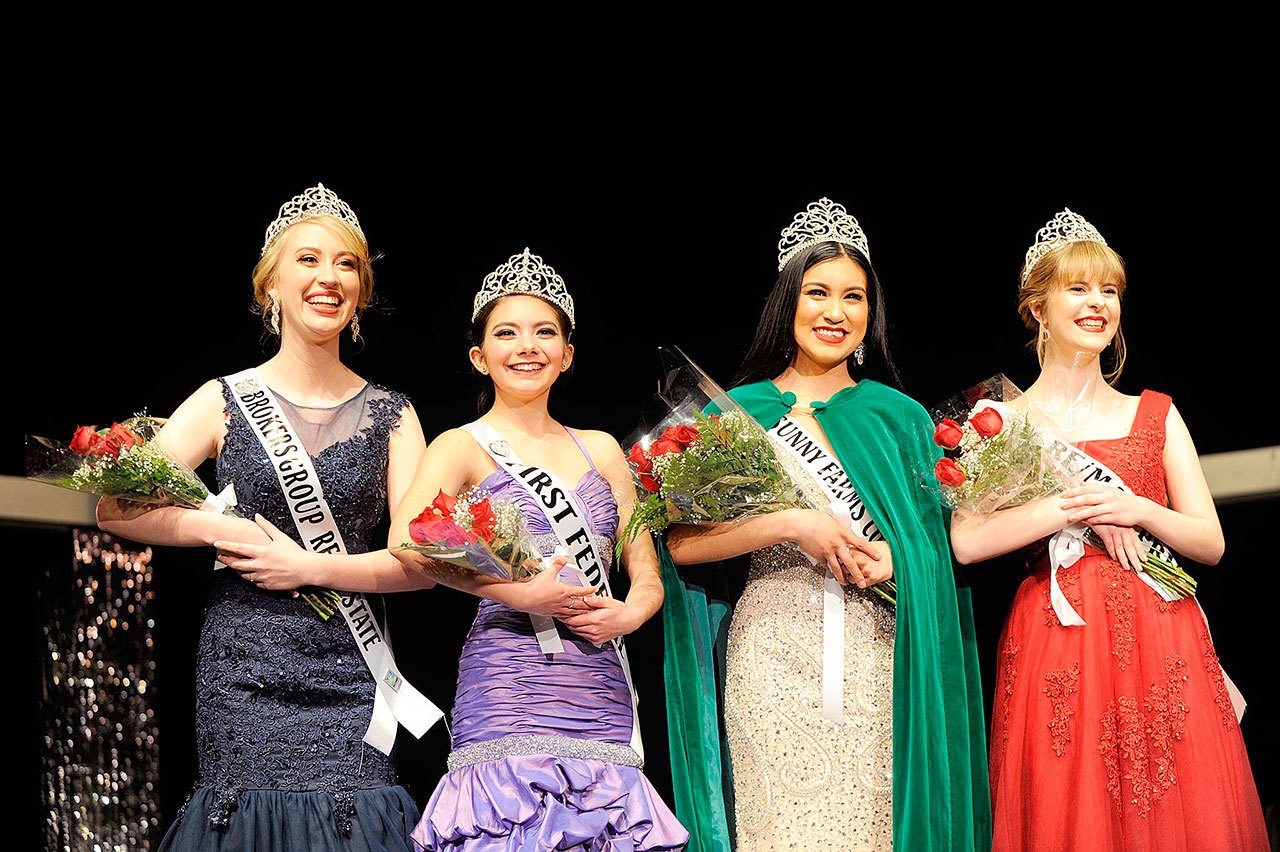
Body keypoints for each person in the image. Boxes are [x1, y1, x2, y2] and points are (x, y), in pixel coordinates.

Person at [97, 184, 437, 849]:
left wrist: (308, 565)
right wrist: (212, 527)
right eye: (308, 260)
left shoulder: (395, 415)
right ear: (270, 285)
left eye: (347, 265)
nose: (328, 277)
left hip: (352, 679)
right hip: (243, 674)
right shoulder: (223, 399)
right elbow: (115, 507)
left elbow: (422, 565)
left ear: (361, 291)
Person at [665, 198, 990, 851]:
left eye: (854, 297)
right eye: (817, 293)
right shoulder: (740, 412)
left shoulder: (898, 417)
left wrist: (898, 560)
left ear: (871, 314)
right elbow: (681, 543)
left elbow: (942, 544)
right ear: (787, 304)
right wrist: (787, 522)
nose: (836, 312)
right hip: (773, 657)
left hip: (880, 657)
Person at [950, 209, 1268, 851]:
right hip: (1059, 634)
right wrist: (1075, 507)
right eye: (1079, 288)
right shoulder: (1000, 421)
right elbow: (966, 541)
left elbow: (1210, 541)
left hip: (1162, 633)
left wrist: (1140, 510)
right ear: (1037, 307)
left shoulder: (1156, 414)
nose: (1098, 304)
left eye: (1110, 291)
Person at [390, 248, 687, 850]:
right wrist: (520, 592)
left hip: (597, 678)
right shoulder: (460, 446)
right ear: (479, 357)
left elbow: (646, 572)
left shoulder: (602, 450)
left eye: (544, 332)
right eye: (507, 333)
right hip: (507, 680)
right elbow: (406, 543)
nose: (527, 346)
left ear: (568, 354)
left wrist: (631, 612)